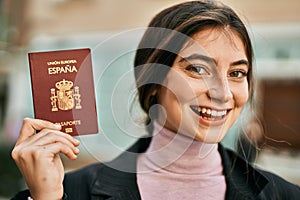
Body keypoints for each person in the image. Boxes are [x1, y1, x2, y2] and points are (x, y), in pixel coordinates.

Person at [11, 1, 300, 199]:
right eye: (197, 69)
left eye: (237, 73)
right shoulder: (70, 192)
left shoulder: (283, 195)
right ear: (152, 84)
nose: (223, 92)